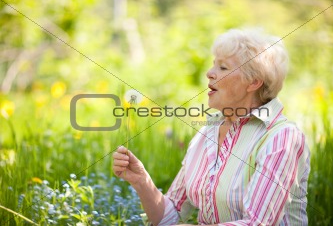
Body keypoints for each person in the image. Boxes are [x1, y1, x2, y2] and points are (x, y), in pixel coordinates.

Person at [112, 28, 310, 226]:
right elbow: (170, 216)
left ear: (254, 82)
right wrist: (141, 181)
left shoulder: (281, 137)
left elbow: (257, 223)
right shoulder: (207, 133)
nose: (209, 73)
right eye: (214, 65)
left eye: (223, 68)